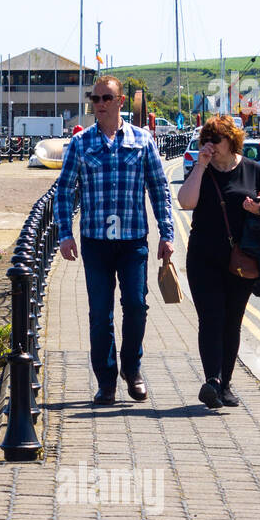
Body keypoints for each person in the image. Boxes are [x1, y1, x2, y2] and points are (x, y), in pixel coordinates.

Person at [54, 75, 174, 405]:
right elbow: (63, 191)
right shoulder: (81, 144)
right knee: (99, 314)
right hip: (94, 241)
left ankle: (131, 370)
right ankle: (106, 381)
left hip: (133, 239)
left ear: (121, 102)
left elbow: (159, 188)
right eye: (95, 99)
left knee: (136, 306)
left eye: (107, 98)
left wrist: (167, 233)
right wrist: (64, 234)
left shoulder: (143, 140)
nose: (100, 104)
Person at [176, 115, 260, 409]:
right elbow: (185, 201)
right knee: (211, 318)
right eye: (206, 140)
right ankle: (213, 381)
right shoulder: (201, 170)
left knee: (232, 322)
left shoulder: (253, 170)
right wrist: (201, 165)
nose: (210, 145)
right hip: (204, 257)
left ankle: (225, 384)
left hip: (241, 259)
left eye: (215, 140)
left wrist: (258, 209)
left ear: (231, 141)